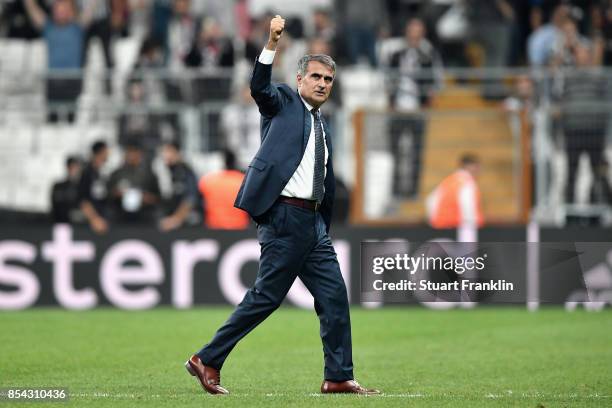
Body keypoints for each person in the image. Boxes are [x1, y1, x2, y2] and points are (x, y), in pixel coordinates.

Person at [185, 15, 380, 396]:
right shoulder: (284, 102)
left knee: (334, 297)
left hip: (312, 225)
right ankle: (207, 358)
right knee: (266, 297)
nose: (323, 84)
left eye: (328, 80)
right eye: (317, 77)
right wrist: (271, 42)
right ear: (300, 80)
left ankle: (338, 375)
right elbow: (258, 86)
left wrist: (322, 225)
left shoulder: (321, 123)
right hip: (285, 217)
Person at [22, 0, 98, 122]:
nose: (60, 12)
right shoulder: (49, 27)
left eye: (64, 9)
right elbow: (33, 11)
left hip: (73, 79)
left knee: (71, 119)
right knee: (52, 119)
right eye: (58, 9)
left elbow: (90, 10)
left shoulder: (77, 28)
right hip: (53, 79)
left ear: (70, 11)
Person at [107, 140, 161, 224]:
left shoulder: (149, 174)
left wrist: (144, 197)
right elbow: (108, 194)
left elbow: (158, 197)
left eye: (134, 152)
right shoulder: (117, 173)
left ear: (140, 154)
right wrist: (119, 193)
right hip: (120, 215)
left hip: (144, 216)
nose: (131, 155)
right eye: (129, 152)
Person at [426, 154, 485, 229]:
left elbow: (431, 200)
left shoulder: (448, 180)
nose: (479, 170)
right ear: (469, 166)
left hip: (440, 226)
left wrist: (433, 221)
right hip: (459, 227)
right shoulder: (467, 182)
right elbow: (467, 203)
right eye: (476, 166)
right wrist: (472, 225)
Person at [198, 149, 249, 229]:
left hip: (214, 227)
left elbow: (199, 204)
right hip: (240, 227)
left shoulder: (208, 181)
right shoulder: (244, 181)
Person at [159, 141, 199, 231]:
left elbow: (190, 198)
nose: (166, 155)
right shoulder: (163, 171)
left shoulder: (185, 172)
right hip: (167, 219)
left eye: (169, 151)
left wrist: (176, 219)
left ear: (177, 153)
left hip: (185, 224)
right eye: (164, 152)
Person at [78, 140, 110, 234]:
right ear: (101, 152)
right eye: (106, 151)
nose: (108, 154)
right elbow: (83, 200)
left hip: (103, 219)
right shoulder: (87, 172)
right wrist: (94, 219)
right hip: (91, 224)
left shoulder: (103, 172)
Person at [51, 155, 82, 223]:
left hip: (80, 226)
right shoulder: (58, 186)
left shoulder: (82, 187)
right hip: (62, 224)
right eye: (71, 167)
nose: (74, 170)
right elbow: (56, 208)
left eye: (76, 167)